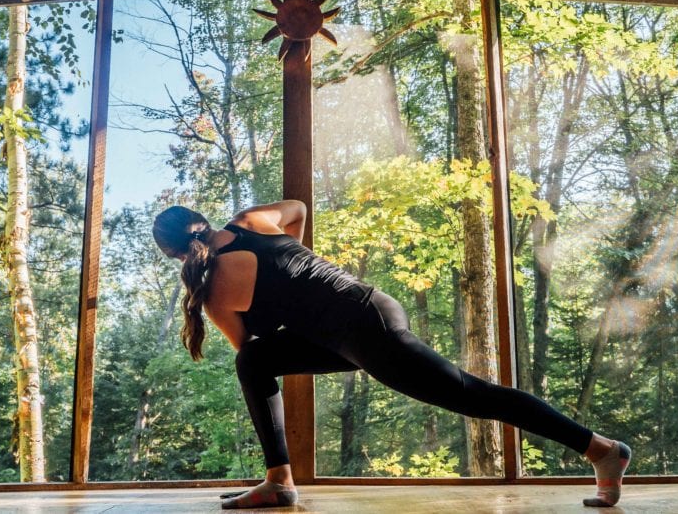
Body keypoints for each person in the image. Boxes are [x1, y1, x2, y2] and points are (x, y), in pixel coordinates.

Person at [153, 200, 631, 509]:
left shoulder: (212, 290)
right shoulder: (250, 220)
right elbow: (296, 209)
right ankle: (279, 480)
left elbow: (248, 344)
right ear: (204, 221)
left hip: (365, 331)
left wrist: (289, 297)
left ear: (175, 255)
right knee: (255, 363)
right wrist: (299, 267)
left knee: (472, 395)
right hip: (362, 314)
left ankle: (602, 450)